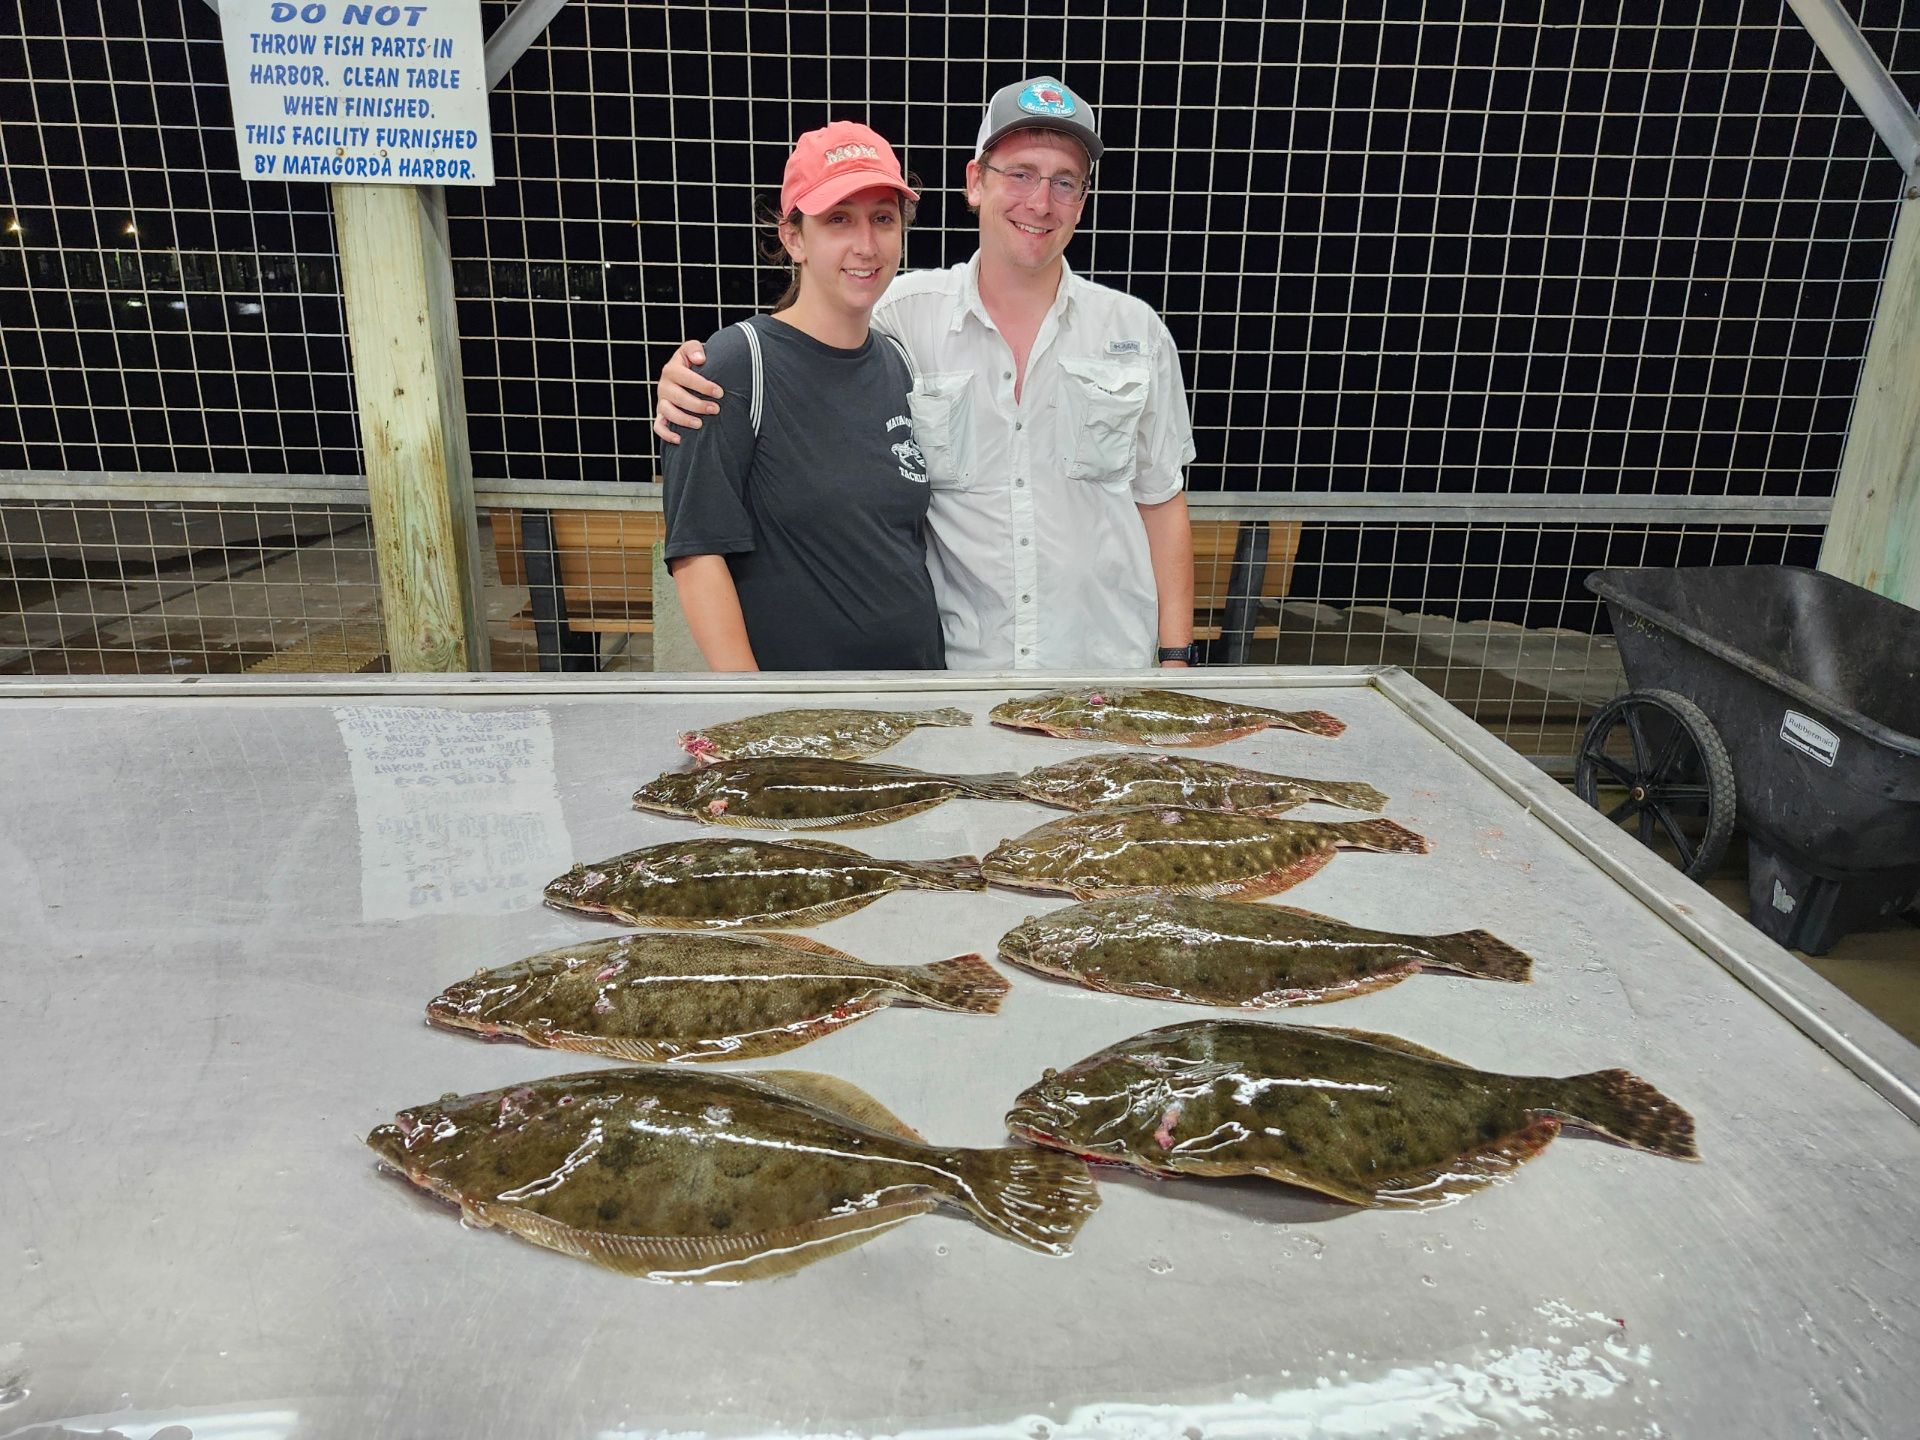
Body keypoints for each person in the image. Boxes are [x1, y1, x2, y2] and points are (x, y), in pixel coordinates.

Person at [655, 77, 1198, 672]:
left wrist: (1175, 657)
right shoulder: (901, 318)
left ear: (1082, 199)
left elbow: (1161, 499)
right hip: (959, 680)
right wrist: (696, 369)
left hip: (1102, 666)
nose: (1041, 202)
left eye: (1064, 182)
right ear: (975, 182)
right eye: (1020, 174)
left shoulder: (1134, 332)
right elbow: (802, 340)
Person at [659, 120, 943, 671]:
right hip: (805, 706)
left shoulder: (899, 363)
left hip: (916, 694)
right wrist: (754, 704)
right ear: (793, 238)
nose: (866, 245)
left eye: (883, 218)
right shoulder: (737, 364)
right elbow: (696, 553)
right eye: (839, 219)